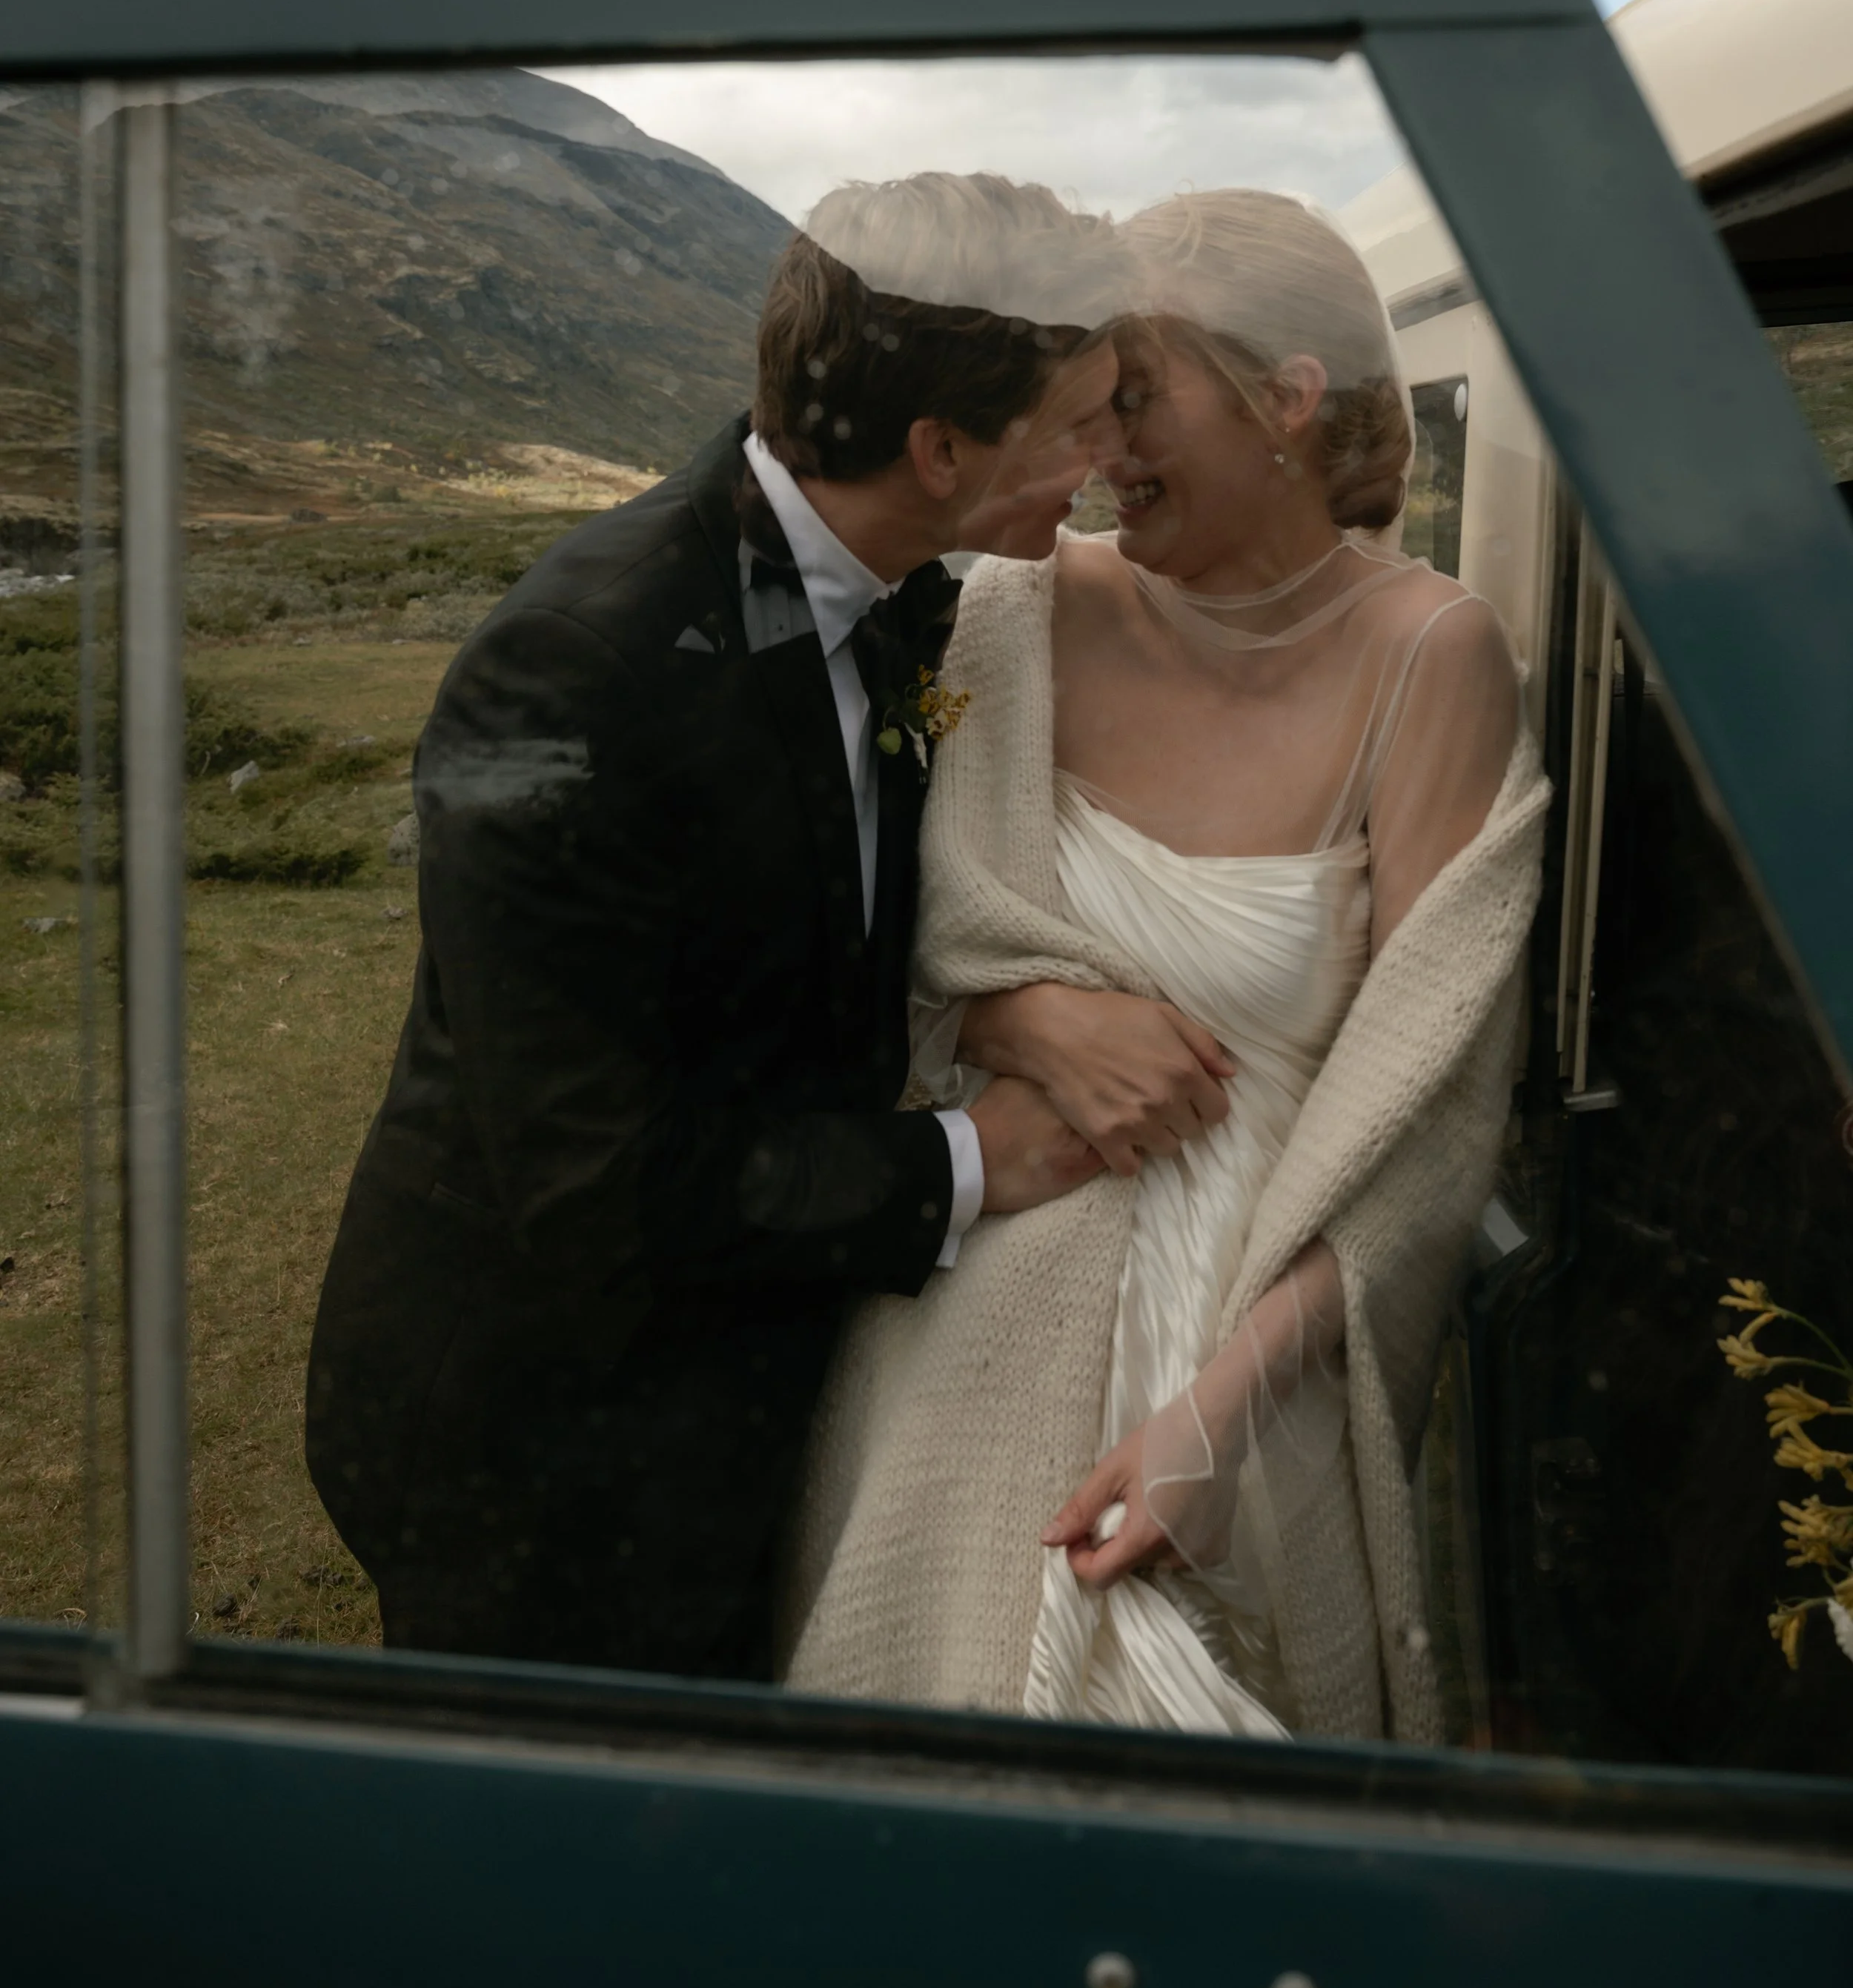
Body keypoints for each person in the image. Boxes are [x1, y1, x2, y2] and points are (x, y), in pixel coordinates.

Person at [305, 173, 1141, 1680]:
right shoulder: (576, 669)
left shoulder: (900, 604)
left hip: (731, 1384)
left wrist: (1001, 1005)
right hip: (542, 1440)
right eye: (1077, 423)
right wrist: (967, 1159)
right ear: (938, 448)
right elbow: (593, 1179)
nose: (1106, 456)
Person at [783, 188, 1550, 1743]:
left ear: (1284, 399)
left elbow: (1426, 1106)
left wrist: (1225, 1416)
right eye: (1081, 405)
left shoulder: (1429, 656)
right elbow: (854, 928)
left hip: (1249, 1351)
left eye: (1130, 398)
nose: (1090, 452)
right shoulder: (1003, 615)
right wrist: (1014, 1006)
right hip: (971, 1329)